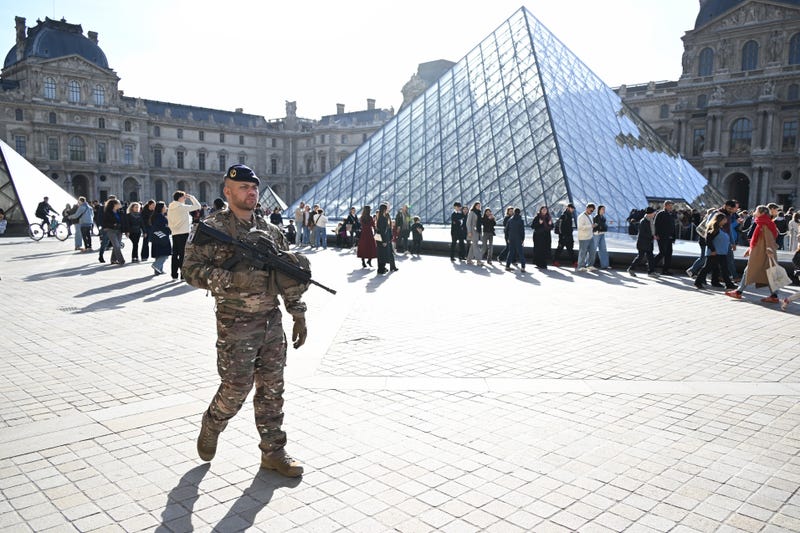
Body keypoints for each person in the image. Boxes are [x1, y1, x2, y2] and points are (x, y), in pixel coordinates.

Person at [183, 164, 309, 477]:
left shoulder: (270, 231)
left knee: (272, 389)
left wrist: (298, 312)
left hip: (270, 322)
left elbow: (287, 275)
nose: (250, 192)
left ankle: (273, 451)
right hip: (235, 324)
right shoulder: (211, 228)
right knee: (235, 388)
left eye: (254, 187)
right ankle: (212, 422)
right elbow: (190, 272)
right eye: (243, 188)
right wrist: (234, 280)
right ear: (227, 192)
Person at [726, 205, 781, 303]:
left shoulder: (764, 223)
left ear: (762, 213)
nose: (755, 212)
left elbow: (768, 239)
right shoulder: (765, 222)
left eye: (756, 211)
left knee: (749, 271)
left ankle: (738, 292)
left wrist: (768, 250)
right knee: (769, 274)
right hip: (761, 252)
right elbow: (760, 239)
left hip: (762, 253)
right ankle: (774, 295)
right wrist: (750, 249)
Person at [694, 213, 736, 290]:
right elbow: (708, 240)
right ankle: (698, 282)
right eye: (724, 219)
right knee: (707, 268)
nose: (726, 220)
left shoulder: (721, 228)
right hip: (715, 253)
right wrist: (712, 250)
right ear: (720, 220)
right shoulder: (714, 229)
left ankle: (727, 283)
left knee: (723, 268)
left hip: (721, 252)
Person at [167, 190, 201, 280]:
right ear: (180, 198)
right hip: (184, 233)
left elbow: (169, 220)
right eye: (184, 197)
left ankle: (174, 274)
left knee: (175, 254)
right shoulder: (182, 207)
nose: (185, 199)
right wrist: (192, 197)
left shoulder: (170, 207)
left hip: (175, 233)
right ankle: (183, 275)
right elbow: (198, 206)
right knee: (183, 254)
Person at [627, 207, 657, 277]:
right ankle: (631, 269)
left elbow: (651, 231)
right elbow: (643, 233)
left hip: (648, 242)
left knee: (650, 257)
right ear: (649, 214)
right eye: (653, 213)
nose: (654, 214)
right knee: (640, 257)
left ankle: (651, 272)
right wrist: (652, 237)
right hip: (643, 243)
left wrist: (653, 236)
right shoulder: (643, 221)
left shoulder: (650, 220)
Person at [653, 200, 677, 274]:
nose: (671, 207)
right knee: (662, 252)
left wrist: (673, 237)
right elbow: (655, 224)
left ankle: (665, 270)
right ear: (665, 206)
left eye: (671, 206)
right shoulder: (661, 213)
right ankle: (651, 264)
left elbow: (673, 226)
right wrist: (656, 234)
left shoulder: (671, 214)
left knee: (669, 253)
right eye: (670, 205)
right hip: (662, 237)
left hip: (669, 237)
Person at [101, 199, 125, 265]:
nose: (120, 204)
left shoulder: (120, 211)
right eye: (118, 203)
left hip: (119, 230)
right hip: (111, 230)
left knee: (116, 246)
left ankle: (113, 260)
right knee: (117, 245)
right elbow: (104, 222)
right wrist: (113, 224)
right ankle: (121, 260)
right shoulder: (107, 212)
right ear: (114, 205)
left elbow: (123, 221)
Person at [149, 201, 171, 275]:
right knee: (165, 253)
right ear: (161, 208)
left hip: (156, 237)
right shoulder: (160, 217)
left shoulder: (155, 215)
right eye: (165, 206)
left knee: (158, 254)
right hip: (162, 237)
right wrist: (168, 228)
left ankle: (158, 270)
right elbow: (162, 227)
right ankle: (156, 265)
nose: (166, 208)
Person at [376, 203, 398, 274]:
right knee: (382, 254)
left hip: (384, 238)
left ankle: (382, 268)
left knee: (382, 254)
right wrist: (384, 241)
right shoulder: (382, 218)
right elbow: (383, 230)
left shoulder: (381, 217)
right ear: (384, 209)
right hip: (383, 239)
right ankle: (381, 269)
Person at [576, 203, 597, 272]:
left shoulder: (590, 216)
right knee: (583, 252)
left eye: (592, 211)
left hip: (590, 236)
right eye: (591, 210)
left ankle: (590, 265)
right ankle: (580, 266)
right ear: (587, 208)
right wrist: (591, 226)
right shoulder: (581, 217)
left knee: (592, 251)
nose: (591, 212)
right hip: (583, 237)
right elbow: (580, 227)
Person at [504, 208, 526, 272]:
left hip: (511, 238)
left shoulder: (510, 219)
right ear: (519, 213)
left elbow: (506, 230)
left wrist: (507, 237)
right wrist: (522, 239)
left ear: (514, 212)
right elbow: (522, 231)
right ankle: (523, 267)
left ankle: (507, 266)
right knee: (520, 253)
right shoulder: (521, 220)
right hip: (518, 238)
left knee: (511, 252)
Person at [466, 201, 484, 266]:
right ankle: (479, 260)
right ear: (475, 206)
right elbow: (468, 223)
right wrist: (469, 232)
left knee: (473, 246)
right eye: (478, 205)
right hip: (472, 232)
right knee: (475, 245)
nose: (479, 207)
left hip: (478, 231)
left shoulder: (479, 213)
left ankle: (469, 260)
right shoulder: (472, 212)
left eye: (480, 206)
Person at [593, 205, 610, 269]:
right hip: (596, 234)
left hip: (602, 234)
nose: (604, 210)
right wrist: (595, 231)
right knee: (593, 249)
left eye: (604, 209)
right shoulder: (596, 217)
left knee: (603, 249)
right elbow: (594, 225)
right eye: (603, 209)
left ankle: (605, 265)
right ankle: (589, 264)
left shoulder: (603, 217)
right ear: (599, 210)